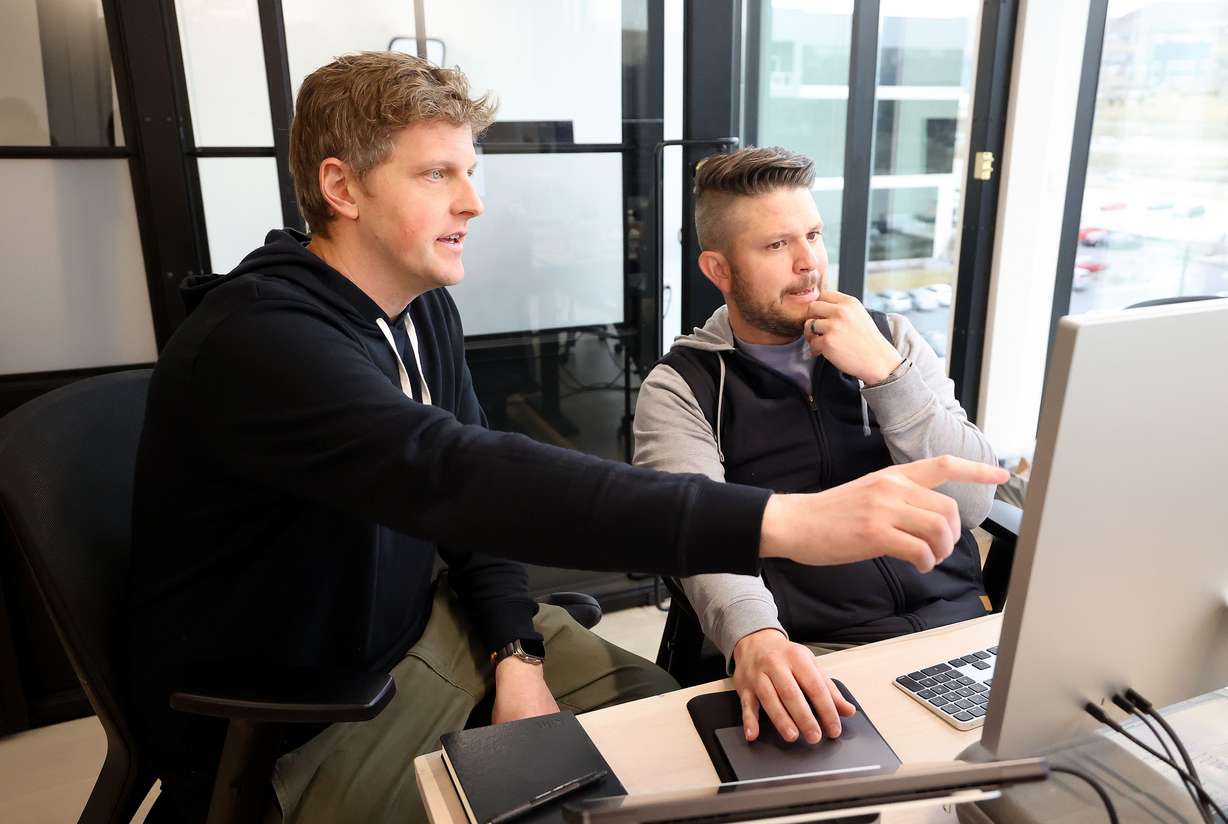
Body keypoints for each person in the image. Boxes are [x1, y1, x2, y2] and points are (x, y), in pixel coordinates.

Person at [124, 54, 1007, 823]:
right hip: (306, 707)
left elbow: (471, 509)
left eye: (470, 172)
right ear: (341, 186)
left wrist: (515, 650)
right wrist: (783, 523)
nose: (473, 201)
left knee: (679, 746)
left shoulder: (420, 310)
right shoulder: (261, 342)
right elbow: (459, 476)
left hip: (434, 619)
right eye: (437, 176)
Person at [633, 146, 999, 749]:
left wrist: (886, 374)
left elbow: (973, 502)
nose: (809, 264)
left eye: (814, 235)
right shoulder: (683, 387)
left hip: (961, 633)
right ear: (719, 271)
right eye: (777, 246)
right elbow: (698, 534)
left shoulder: (890, 338)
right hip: (822, 658)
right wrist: (756, 636)